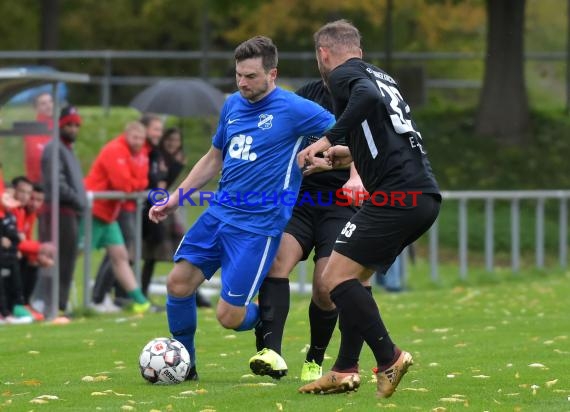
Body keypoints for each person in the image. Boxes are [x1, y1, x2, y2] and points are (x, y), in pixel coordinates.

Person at [148, 35, 336, 381]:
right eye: (238, 75)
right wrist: (177, 197)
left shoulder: (295, 108)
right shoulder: (233, 105)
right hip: (218, 215)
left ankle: (263, 317)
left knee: (228, 317)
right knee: (177, 285)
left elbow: (344, 130)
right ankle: (185, 364)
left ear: (272, 73)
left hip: (257, 228)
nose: (242, 83)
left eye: (250, 76)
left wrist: (345, 167)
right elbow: (213, 158)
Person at [296, 20, 441, 398]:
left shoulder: (344, 74)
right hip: (419, 196)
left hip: (396, 195)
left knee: (332, 279)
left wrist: (328, 137)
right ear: (358, 48)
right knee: (355, 279)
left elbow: (366, 102)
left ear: (323, 55)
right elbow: (379, 136)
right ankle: (344, 369)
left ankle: (389, 357)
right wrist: (336, 156)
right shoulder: (380, 75)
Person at [248, 79, 369, 381]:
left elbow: (366, 146)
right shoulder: (306, 95)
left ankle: (314, 357)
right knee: (276, 262)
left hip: (341, 204)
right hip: (301, 200)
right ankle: (270, 352)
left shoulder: (364, 96)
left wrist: (356, 177)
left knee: (326, 287)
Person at [91, 114, 165, 312]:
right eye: (135, 138)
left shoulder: (141, 152)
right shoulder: (116, 149)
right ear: (126, 135)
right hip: (95, 209)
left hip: (111, 212)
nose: (138, 142)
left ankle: (139, 301)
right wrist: (134, 186)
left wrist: (134, 186)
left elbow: (141, 182)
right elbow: (123, 184)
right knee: (76, 253)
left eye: (141, 139)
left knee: (121, 255)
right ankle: (57, 302)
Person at [34, 106, 87, 322]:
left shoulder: (66, 148)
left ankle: (60, 306)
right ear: (60, 125)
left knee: (66, 261)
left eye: (76, 125)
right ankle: (50, 306)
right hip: (57, 212)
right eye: (69, 124)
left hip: (68, 212)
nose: (73, 129)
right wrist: (78, 200)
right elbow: (57, 184)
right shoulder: (54, 148)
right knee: (56, 259)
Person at [24, 92, 54, 184]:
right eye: (43, 103)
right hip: (38, 185)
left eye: (50, 101)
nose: (49, 106)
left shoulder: (59, 127)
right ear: (36, 108)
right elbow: (35, 159)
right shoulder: (32, 131)